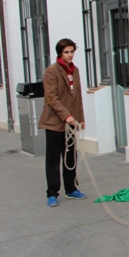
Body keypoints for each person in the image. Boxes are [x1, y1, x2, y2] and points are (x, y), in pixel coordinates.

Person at [39, 39, 86, 207]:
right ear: (60, 53)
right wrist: (67, 116)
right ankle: (52, 193)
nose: (70, 54)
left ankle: (71, 188)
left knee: (70, 157)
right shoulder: (51, 71)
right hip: (54, 122)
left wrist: (80, 118)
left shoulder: (76, 71)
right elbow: (52, 98)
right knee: (53, 160)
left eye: (72, 51)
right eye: (66, 52)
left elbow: (77, 96)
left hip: (71, 123)